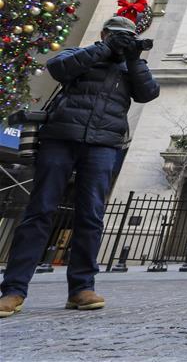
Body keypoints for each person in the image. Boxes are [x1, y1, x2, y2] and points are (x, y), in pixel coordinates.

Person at [0, 16, 160, 318]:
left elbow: (148, 93)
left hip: (103, 145)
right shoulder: (80, 54)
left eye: (126, 37)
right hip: (60, 138)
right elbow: (58, 69)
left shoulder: (129, 67)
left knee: (91, 215)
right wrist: (104, 49)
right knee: (40, 211)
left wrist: (134, 57)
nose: (121, 41)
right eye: (116, 36)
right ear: (104, 34)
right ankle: (13, 290)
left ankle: (81, 288)